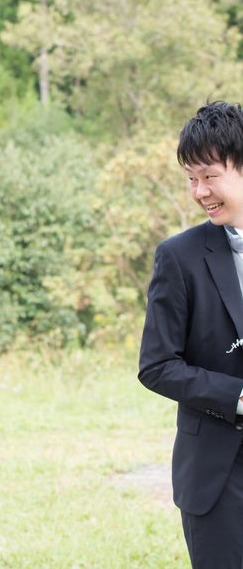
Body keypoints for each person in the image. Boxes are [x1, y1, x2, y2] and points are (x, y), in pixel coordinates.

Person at [139, 101, 243, 568]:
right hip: (218, 475)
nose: (200, 191)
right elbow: (157, 365)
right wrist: (237, 396)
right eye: (191, 179)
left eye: (209, 176)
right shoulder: (178, 257)